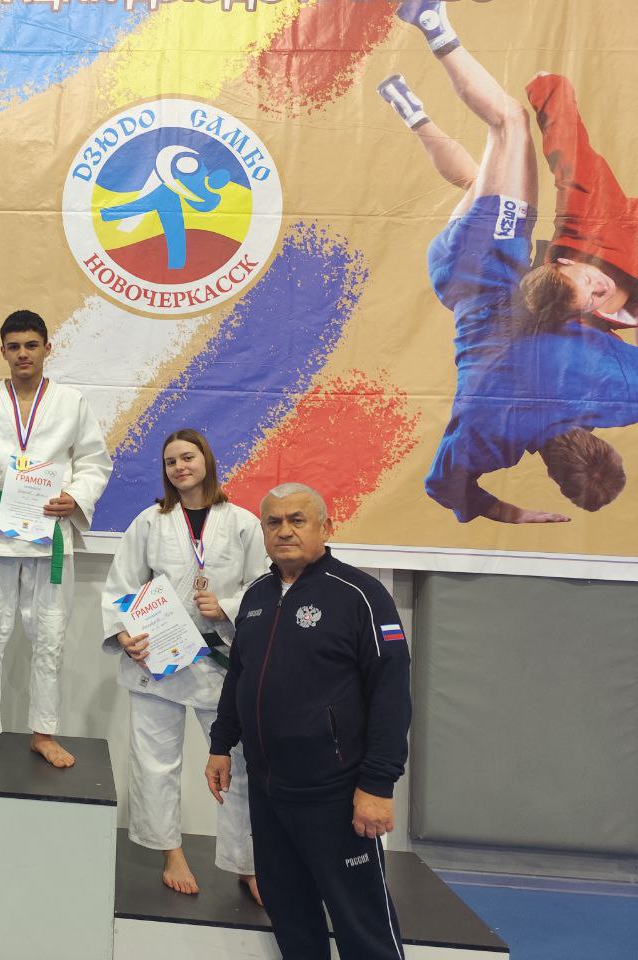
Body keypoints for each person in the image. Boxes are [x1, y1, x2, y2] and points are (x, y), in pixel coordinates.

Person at [379, 0, 636, 523]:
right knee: (474, 180)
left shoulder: (615, 390)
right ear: (552, 473)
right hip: (453, 279)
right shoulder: (490, 443)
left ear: (600, 442)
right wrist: (514, 514)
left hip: (488, 262)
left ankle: (430, 22)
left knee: (509, 123)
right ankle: (414, 114)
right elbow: (445, 485)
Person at [207, 483, 411, 960]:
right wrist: (221, 744)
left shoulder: (361, 595)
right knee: (291, 916)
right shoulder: (256, 597)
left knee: (362, 923)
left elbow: (391, 694)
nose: (284, 531)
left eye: (297, 520)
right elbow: (240, 676)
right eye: (273, 522)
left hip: (335, 793)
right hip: (269, 791)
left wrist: (378, 785)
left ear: (325, 527)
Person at [0, 309, 114, 768]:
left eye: (31, 345)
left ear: (46, 349)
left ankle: (44, 733)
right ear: (3, 351)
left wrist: (75, 497)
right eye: (14, 346)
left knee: (50, 637)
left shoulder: (71, 403)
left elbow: (95, 461)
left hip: (48, 531)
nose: (23, 354)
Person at [100, 429, 264, 900]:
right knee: (156, 761)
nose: (179, 467)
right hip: (159, 659)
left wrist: (227, 607)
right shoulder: (150, 522)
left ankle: (247, 863)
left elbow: (263, 584)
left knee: (238, 764)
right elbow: (121, 585)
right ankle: (170, 851)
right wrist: (124, 635)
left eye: (187, 457)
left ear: (206, 460)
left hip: (221, 660)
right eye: (171, 461)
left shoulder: (243, 523)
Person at [519, 73, 638, 330]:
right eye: (590, 300)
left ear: (566, 262)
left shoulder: (584, 222)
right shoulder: (587, 327)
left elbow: (570, 155)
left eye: (587, 280)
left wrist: (549, 90)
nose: (601, 288)